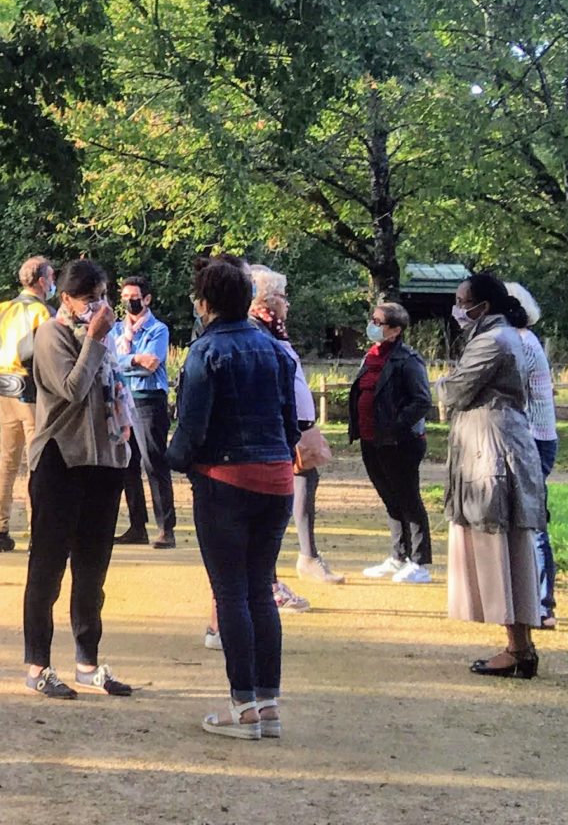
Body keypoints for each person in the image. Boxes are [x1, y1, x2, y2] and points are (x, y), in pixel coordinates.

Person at [168, 254, 300, 741]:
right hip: (277, 477)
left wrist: (169, 462)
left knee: (231, 594)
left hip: (225, 480)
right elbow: (289, 422)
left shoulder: (205, 352)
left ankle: (243, 706)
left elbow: (193, 427)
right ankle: (268, 706)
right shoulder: (274, 349)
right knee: (260, 590)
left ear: (204, 303)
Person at [19, 258, 134, 701]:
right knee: (47, 566)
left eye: (103, 297)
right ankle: (38, 665)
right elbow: (71, 388)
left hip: (105, 461)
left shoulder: (103, 337)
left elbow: (114, 390)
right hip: (59, 462)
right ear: (65, 298)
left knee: (92, 567)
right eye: (90, 299)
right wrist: (94, 340)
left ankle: (88, 662)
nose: (99, 307)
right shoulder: (51, 333)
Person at [444, 272, 549, 678]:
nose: (457, 310)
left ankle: (517, 646)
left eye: (461, 301)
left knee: (500, 545)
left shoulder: (493, 341)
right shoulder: (504, 337)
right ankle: (519, 644)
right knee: (507, 546)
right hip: (495, 441)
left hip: (493, 448)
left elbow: (455, 391)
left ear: (482, 306)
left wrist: (443, 386)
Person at [245, 269, 334, 603]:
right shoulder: (258, 333)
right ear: (265, 301)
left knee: (297, 494)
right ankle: (267, 585)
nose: (286, 303)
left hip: (293, 430)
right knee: (268, 513)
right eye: (281, 297)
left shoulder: (272, 331)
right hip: (276, 436)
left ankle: (297, 564)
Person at [348, 300, 435, 583]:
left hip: (401, 443)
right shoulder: (371, 356)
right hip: (372, 440)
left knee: (409, 499)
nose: (372, 326)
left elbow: (421, 401)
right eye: (372, 320)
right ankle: (399, 556)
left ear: (395, 330)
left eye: (378, 322)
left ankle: (419, 562)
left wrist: (395, 426)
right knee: (390, 499)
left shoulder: (408, 360)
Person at [0, 259, 53, 553]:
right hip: (30, 391)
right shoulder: (40, 311)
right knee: (36, 462)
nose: (52, 283)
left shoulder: (1, 308)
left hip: (4, 388)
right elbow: (46, 354)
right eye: (51, 277)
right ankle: (37, 528)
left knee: (7, 462)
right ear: (39, 280)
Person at [509, 284, 560, 627]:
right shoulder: (521, 341)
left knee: (533, 521)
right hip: (530, 437)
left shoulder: (522, 345)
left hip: (533, 439)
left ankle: (543, 604)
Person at [111, 274, 175, 548]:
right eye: (125, 297)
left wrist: (126, 361)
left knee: (154, 463)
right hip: (123, 400)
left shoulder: (158, 330)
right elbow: (111, 361)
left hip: (149, 400)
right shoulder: (115, 330)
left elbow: (152, 364)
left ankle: (166, 528)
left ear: (146, 299)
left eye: (134, 297)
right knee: (127, 463)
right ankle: (138, 526)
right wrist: (135, 358)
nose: (129, 302)